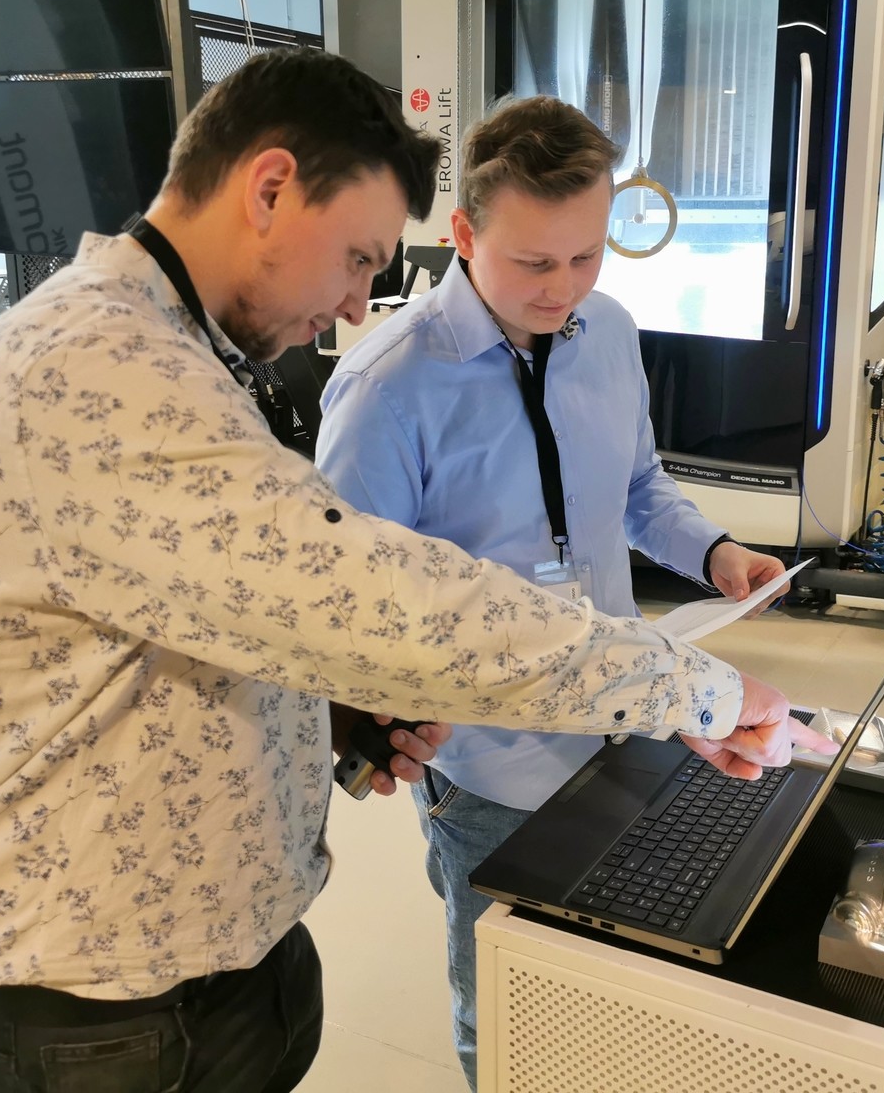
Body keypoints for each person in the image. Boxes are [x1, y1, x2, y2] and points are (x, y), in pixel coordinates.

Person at [0, 51, 828, 1093]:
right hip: (91, 994)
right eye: (357, 258)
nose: (351, 306)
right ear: (270, 189)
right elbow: (391, 607)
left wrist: (326, 709)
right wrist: (696, 691)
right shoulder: (101, 369)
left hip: (199, 963)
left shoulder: (178, 350)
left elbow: (236, 609)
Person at [315, 95, 801, 1090]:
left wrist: (713, 553)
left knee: (613, 979)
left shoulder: (606, 330)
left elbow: (636, 488)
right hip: (490, 763)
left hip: (625, 719)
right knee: (506, 1011)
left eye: (587, 255)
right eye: (535, 261)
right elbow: (350, 611)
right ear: (463, 234)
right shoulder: (386, 390)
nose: (564, 287)